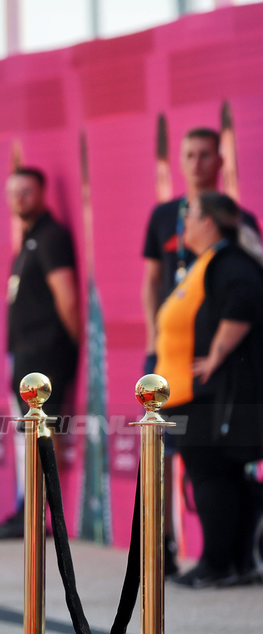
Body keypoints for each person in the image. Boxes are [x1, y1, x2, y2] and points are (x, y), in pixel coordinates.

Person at [141, 127, 259, 572]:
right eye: (187, 154)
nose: (194, 163)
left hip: (211, 378)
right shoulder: (163, 216)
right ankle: (164, 548)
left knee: (215, 468)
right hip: (171, 366)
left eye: (203, 155)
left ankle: (226, 558)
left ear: (219, 161)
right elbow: (153, 281)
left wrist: (218, 354)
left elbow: (245, 296)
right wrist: (156, 342)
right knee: (171, 457)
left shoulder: (234, 238)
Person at [0, 167, 80, 540]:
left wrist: (68, 349)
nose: (20, 199)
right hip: (24, 357)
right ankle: (28, 509)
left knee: (40, 435)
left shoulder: (51, 237)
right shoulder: (29, 240)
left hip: (45, 358)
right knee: (26, 437)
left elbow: (67, 300)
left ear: (42, 193)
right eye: (14, 193)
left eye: (27, 191)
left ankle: (38, 514)